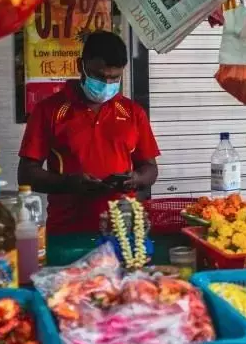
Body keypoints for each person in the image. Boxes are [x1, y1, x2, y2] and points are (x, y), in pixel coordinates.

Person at [17, 30, 160, 244]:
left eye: (114, 78)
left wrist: (135, 179)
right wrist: (69, 183)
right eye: (99, 76)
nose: (107, 84)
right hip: (67, 231)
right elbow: (26, 174)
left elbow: (150, 169)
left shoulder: (132, 112)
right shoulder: (49, 110)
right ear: (80, 66)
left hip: (123, 231)